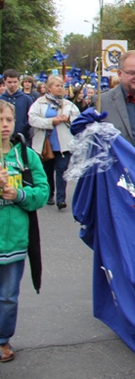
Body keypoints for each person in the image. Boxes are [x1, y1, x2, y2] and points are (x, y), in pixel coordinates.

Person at [0, 100, 49, 363]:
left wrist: (18, 193)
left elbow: (42, 192)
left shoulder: (26, 156)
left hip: (15, 240)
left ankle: (2, 340)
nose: (4, 126)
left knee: (7, 296)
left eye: (8, 120)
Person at [28, 75, 80, 210]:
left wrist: (67, 119)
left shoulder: (68, 105)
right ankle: (50, 194)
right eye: (57, 86)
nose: (60, 88)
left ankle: (61, 198)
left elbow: (78, 121)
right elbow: (32, 120)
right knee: (48, 170)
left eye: (61, 86)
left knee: (62, 170)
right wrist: (51, 122)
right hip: (46, 144)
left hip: (63, 144)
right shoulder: (39, 103)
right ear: (49, 88)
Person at [0, 70, 34, 143]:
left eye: (15, 82)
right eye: (9, 82)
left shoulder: (27, 99)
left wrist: (23, 128)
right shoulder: (1, 99)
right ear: (4, 81)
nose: (12, 85)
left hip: (22, 138)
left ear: (19, 81)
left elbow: (31, 118)